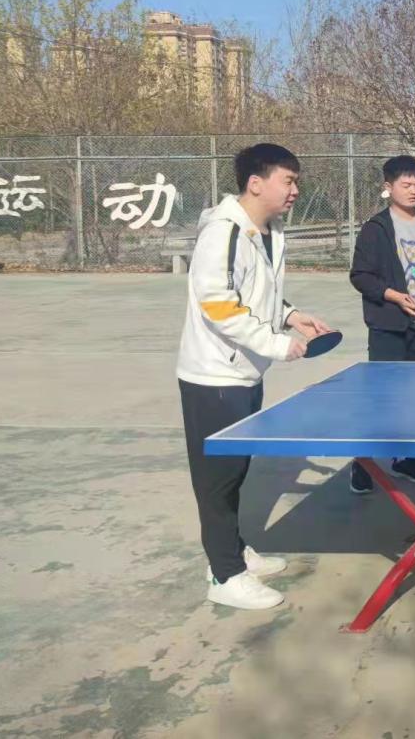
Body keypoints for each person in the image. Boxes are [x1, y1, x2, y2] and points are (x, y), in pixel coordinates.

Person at [177, 143, 334, 610]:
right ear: (255, 183)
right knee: (216, 480)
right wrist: (278, 344)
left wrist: (290, 316)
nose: (295, 190)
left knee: (236, 472)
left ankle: (233, 551)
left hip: (244, 373)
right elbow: (219, 304)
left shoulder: (268, 232)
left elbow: (254, 291)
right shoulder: (223, 232)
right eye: (288, 180)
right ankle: (224, 575)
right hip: (213, 378)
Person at [347, 155, 415, 495]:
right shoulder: (376, 229)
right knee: (383, 400)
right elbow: (360, 276)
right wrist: (393, 295)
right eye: (406, 185)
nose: (413, 191)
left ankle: (407, 459)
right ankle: (363, 463)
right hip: (389, 327)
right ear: (388, 187)